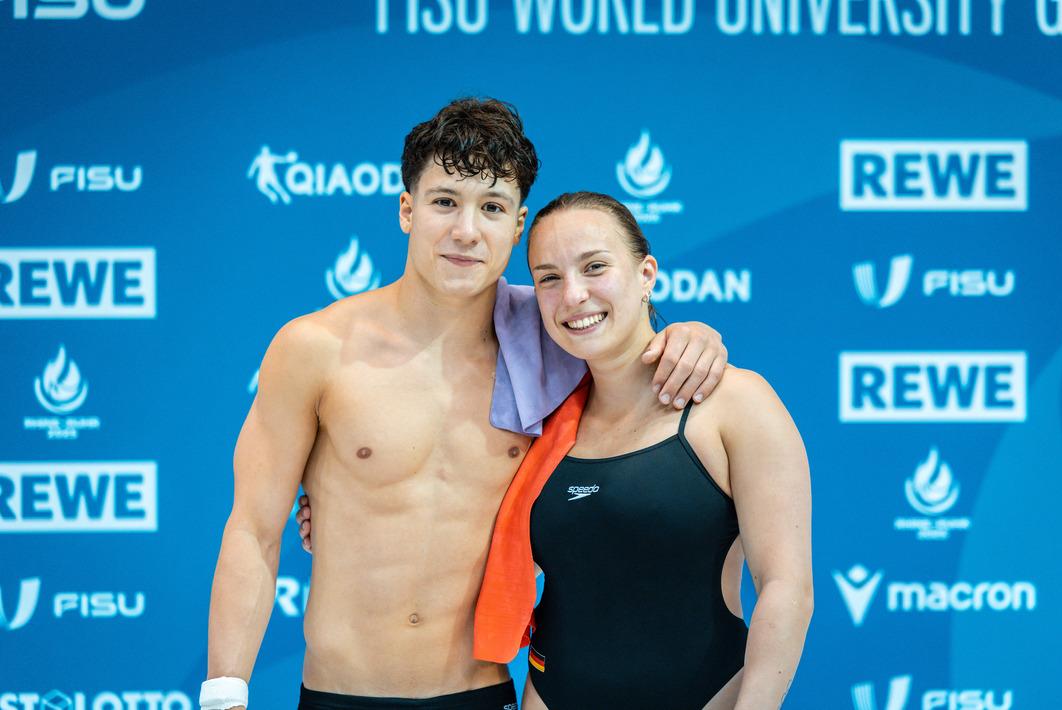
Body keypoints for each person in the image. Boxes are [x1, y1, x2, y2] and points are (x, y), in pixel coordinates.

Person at [203, 99, 729, 710]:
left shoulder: (557, 341)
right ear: (407, 209)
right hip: (339, 693)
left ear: (517, 225)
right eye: (444, 201)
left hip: (480, 693)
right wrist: (224, 693)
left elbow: (633, 339)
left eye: (492, 209)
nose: (466, 231)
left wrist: (692, 334)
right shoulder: (316, 349)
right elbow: (253, 531)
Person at [487, 191, 813, 709]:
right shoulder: (536, 420)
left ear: (646, 274)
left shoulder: (734, 403)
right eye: (549, 277)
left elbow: (785, 588)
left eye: (595, 267)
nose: (573, 294)